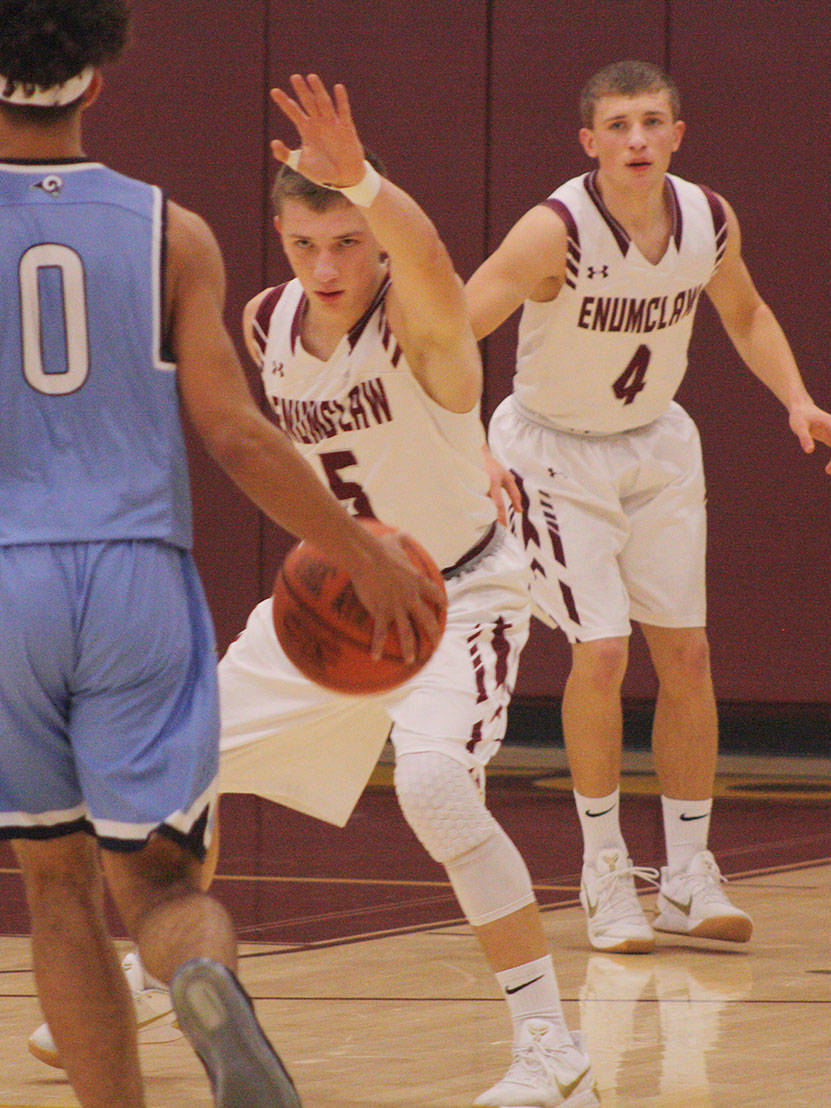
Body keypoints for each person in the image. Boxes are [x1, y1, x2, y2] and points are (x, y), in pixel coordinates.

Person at [0, 5, 443, 1107]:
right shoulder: (174, 233)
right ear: (95, 87)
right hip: (135, 576)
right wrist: (358, 550)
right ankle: (200, 975)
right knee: (161, 880)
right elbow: (234, 434)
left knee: (57, 890)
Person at [207, 75, 595, 1108]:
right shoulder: (270, 322)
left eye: (345, 240)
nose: (326, 266)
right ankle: (172, 968)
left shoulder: (422, 330)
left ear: (371, 237)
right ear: (281, 241)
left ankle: (549, 1044)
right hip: (333, 601)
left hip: (452, 599)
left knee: (430, 788)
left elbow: (427, 260)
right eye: (304, 244)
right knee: (171, 757)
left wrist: (367, 179)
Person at [465, 60, 831, 955]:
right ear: (589, 141)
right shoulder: (551, 231)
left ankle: (686, 874)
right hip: (553, 454)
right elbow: (450, 331)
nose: (636, 139)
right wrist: (469, 448)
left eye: (651, 123)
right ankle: (604, 874)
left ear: (677, 134)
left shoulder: (708, 218)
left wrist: (796, 398)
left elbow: (745, 314)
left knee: (690, 654)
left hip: (657, 446)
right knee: (601, 651)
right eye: (618, 125)